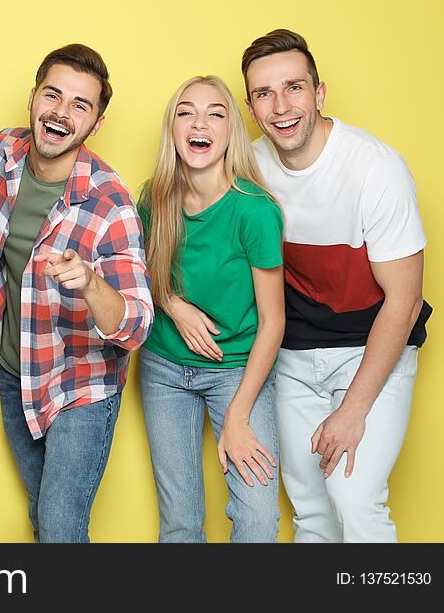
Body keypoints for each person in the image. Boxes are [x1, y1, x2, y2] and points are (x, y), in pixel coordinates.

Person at [242, 29, 432, 542]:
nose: (281, 106)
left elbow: (406, 299)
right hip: (295, 355)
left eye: (294, 88)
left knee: (353, 497)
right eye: (264, 93)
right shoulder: (250, 167)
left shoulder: (375, 168)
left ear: (319, 93)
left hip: (370, 350)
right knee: (310, 510)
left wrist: (353, 410)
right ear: (251, 106)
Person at [0, 44, 153, 543]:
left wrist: (91, 283)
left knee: (60, 525)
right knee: (42, 513)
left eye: (81, 104)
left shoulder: (110, 202)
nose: (62, 112)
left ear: (96, 123)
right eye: (53, 95)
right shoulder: (2, 155)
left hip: (82, 384)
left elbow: (137, 324)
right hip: (16, 372)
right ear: (33, 97)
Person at [138, 75, 285, 543]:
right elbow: (141, 275)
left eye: (215, 113)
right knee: (180, 523)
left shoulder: (255, 211)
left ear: (231, 131)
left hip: (239, 371)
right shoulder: (154, 197)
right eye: (186, 111)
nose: (199, 122)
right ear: (173, 127)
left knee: (257, 520)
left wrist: (240, 415)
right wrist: (174, 306)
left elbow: (273, 321)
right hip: (164, 369)